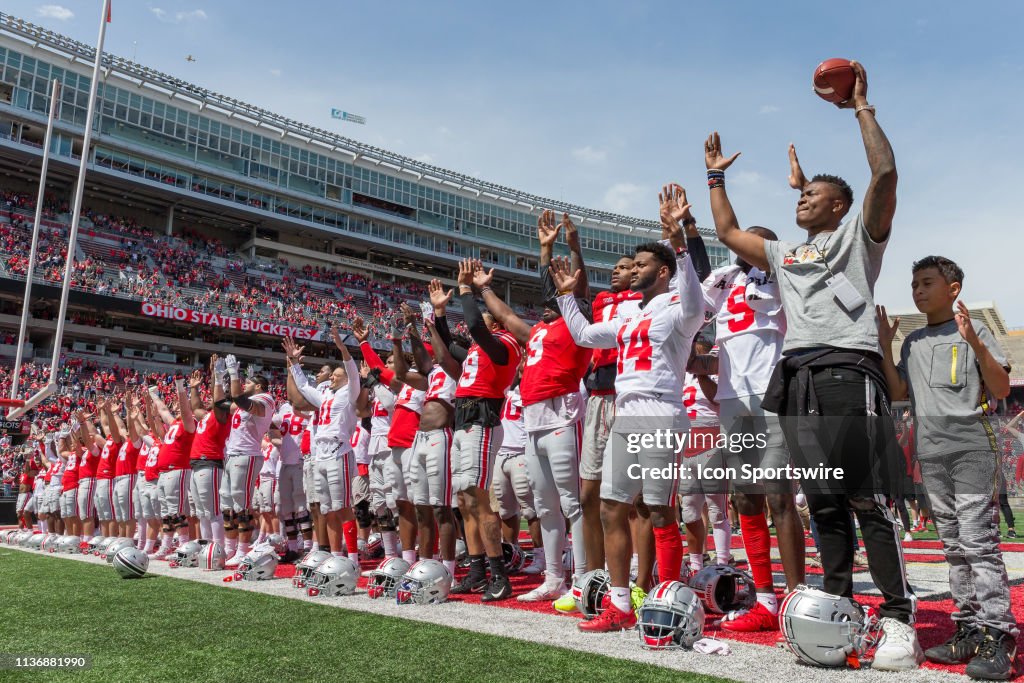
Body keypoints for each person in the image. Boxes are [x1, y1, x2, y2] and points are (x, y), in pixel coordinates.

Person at [704, 61, 921, 670]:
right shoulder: (782, 251)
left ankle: (900, 619)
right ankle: (839, 608)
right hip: (796, 377)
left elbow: (885, 172)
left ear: (840, 206)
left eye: (812, 195)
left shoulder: (859, 237)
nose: (802, 198)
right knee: (822, 500)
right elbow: (725, 230)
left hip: (848, 368)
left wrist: (860, 108)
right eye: (799, 193)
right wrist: (715, 177)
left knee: (862, 497)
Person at [551, 195, 705, 632]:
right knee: (610, 506)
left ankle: (671, 601)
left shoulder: (678, 308)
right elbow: (582, 336)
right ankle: (619, 603)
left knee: (658, 509)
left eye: (640, 265)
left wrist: (678, 246)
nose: (632, 270)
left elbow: (694, 300)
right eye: (631, 265)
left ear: (661, 272)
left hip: (660, 411)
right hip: (625, 411)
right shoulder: (626, 316)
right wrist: (566, 298)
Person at [879, 256, 1017, 680]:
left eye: (926, 283)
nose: (917, 291)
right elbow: (900, 391)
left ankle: (1001, 635)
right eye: (914, 284)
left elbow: (1001, 388)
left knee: (979, 542)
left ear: (953, 288)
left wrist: (974, 341)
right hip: (932, 453)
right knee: (954, 547)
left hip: (973, 448)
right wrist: (885, 347)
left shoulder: (975, 332)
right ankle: (968, 629)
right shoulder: (913, 342)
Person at [690, 218, 806, 634]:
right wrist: (685, 239)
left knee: (779, 497)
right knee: (747, 500)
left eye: (762, 238)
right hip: (732, 399)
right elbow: (692, 307)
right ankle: (766, 599)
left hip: (774, 394)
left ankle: (797, 599)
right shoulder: (722, 278)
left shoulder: (784, 273)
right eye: (747, 236)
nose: (750, 242)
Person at [478, 210, 593, 602]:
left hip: (563, 415)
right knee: (545, 506)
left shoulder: (577, 326)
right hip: (534, 422)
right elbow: (506, 316)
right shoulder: (539, 329)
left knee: (572, 503)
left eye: (554, 298)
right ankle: (554, 577)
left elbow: (575, 289)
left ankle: (583, 580)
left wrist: (572, 248)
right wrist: (483, 290)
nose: (544, 303)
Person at [434, 258, 523, 602]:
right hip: (464, 421)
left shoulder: (505, 346)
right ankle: (476, 571)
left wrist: (466, 288)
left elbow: (474, 323)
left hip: (482, 420)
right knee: (464, 501)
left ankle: (498, 575)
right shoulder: (477, 349)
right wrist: (440, 313)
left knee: (480, 499)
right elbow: (448, 344)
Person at [284, 328, 359, 564]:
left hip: (339, 451)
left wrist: (343, 349)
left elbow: (353, 373)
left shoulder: (350, 392)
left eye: (338, 375)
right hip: (321, 455)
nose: (333, 378)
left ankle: (353, 558)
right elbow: (304, 388)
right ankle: (335, 556)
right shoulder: (326, 396)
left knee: (343, 506)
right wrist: (294, 362)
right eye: (333, 375)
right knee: (326, 508)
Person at [223, 357, 276, 566]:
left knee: (241, 504)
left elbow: (240, 399)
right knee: (228, 503)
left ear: (259, 386)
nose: (245, 384)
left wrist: (234, 374)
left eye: (249, 382)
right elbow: (220, 405)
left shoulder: (266, 398)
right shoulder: (242, 403)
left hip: (247, 455)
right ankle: (229, 549)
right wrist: (219, 378)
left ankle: (243, 550)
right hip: (233, 454)